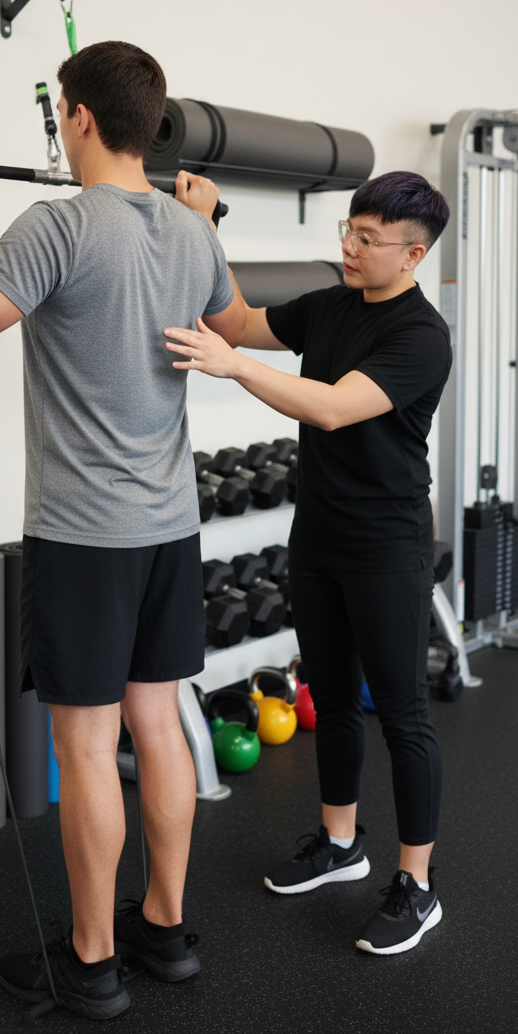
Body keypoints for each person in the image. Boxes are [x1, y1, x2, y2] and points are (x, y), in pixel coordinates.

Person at [0, 40, 245, 1017]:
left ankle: (91, 961)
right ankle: (162, 934)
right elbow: (236, 325)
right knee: (157, 727)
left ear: (78, 118)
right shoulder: (190, 229)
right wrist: (201, 224)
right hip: (171, 525)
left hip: (85, 535)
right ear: (149, 126)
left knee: (86, 747)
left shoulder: (59, 227)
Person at [164, 170, 451, 956]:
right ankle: (340, 843)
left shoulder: (421, 337)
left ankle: (418, 886)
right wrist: (203, 225)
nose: (350, 249)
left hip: (387, 545)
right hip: (318, 535)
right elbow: (236, 317)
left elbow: (329, 404)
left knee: (403, 715)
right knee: (330, 694)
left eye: (368, 240)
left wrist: (233, 367)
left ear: (413, 253)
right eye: (347, 233)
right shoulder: (330, 305)